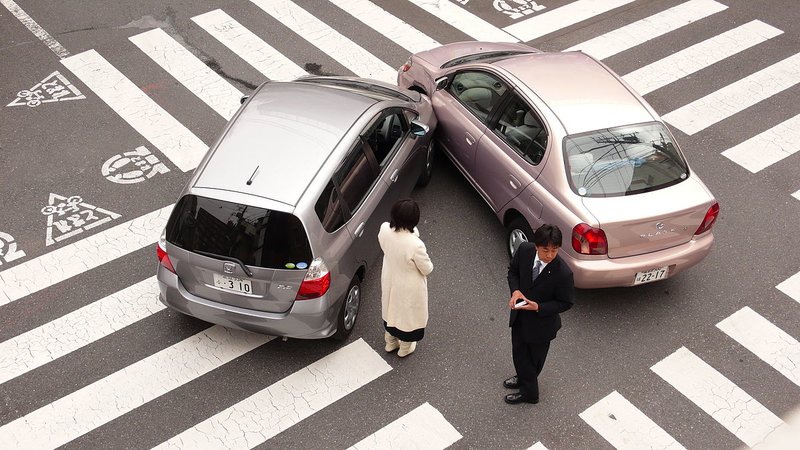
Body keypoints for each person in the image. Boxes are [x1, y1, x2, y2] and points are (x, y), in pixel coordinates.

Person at [504, 224, 574, 404]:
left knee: (534, 361)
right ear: (536, 246)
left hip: (542, 326)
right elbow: (513, 272)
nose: (550, 255)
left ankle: (530, 394)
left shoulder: (563, 273)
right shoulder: (524, 250)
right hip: (520, 317)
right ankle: (523, 378)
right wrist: (515, 291)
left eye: (554, 250)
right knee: (519, 353)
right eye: (545, 250)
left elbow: (566, 303)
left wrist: (538, 307)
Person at [378, 199, 433, 357]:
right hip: (409, 286)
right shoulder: (415, 245)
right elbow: (427, 268)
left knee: (390, 310)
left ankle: (390, 342)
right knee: (408, 317)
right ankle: (405, 348)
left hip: (390, 278)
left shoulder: (384, 230)